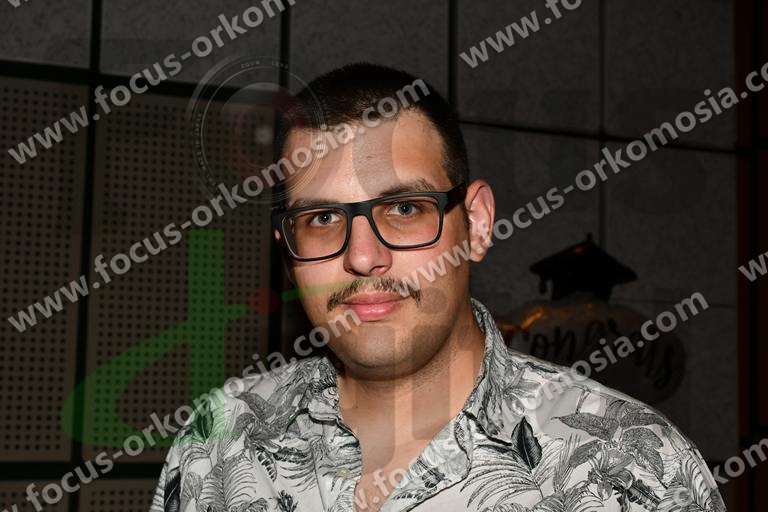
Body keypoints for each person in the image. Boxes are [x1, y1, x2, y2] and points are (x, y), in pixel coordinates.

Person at [150, 63, 725, 512]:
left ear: (476, 223)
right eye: (321, 218)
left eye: (404, 208)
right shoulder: (218, 443)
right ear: (287, 248)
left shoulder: (633, 468)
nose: (362, 256)